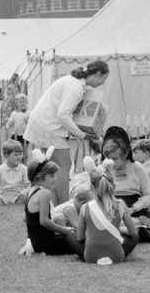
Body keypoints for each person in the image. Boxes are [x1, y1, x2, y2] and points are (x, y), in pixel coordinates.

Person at [23, 60, 110, 204]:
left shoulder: (76, 83)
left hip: (44, 124)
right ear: (98, 74)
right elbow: (63, 115)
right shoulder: (75, 86)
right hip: (48, 126)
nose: (103, 83)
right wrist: (82, 135)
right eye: (103, 79)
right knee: (63, 165)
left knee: (52, 166)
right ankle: (63, 204)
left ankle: (53, 205)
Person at [74, 161, 139, 265]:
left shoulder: (85, 207)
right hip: (117, 256)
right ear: (113, 186)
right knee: (134, 237)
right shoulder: (121, 205)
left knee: (70, 235)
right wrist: (119, 230)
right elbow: (134, 233)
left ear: (91, 188)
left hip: (91, 257)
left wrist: (94, 234)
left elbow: (80, 237)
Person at [23, 154, 78, 256]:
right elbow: (44, 221)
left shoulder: (31, 191)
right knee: (79, 239)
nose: (55, 179)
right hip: (47, 244)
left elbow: (26, 219)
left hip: (36, 243)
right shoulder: (45, 193)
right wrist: (65, 230)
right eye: (51, 176)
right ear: (39, 178)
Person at [101, 129, 150, 217]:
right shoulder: (103, 168)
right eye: (108, 158)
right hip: (110, 206)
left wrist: (134, 208)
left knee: (142, 227)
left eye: (115, 159)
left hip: (133, 207)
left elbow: (148, 194)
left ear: (125, 154)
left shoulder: (137, 167)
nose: (111, 162)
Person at [0, 141, 30, 207]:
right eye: (16, 155)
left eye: (20, 154)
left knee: (34, 193)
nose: (19, 157)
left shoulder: (24, 169)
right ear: (6, 156)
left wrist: (25, 191)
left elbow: (28, 186)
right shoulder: (0, 169)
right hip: (1, 197)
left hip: (17, 197)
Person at [6, 94, 30, 159]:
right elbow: (11, 123)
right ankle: (16, 161)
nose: (22, 103)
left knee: (24, 150)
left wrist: (27, 120)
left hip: (25, 135)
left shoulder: (28, 113)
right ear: (16, 103)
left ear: (26, 103)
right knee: (15, 148)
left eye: (23, 101)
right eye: (20, 102)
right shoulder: (14, 113)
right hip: (16, 134)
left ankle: (24, 164)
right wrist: (9, 123)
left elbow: (30, 123)